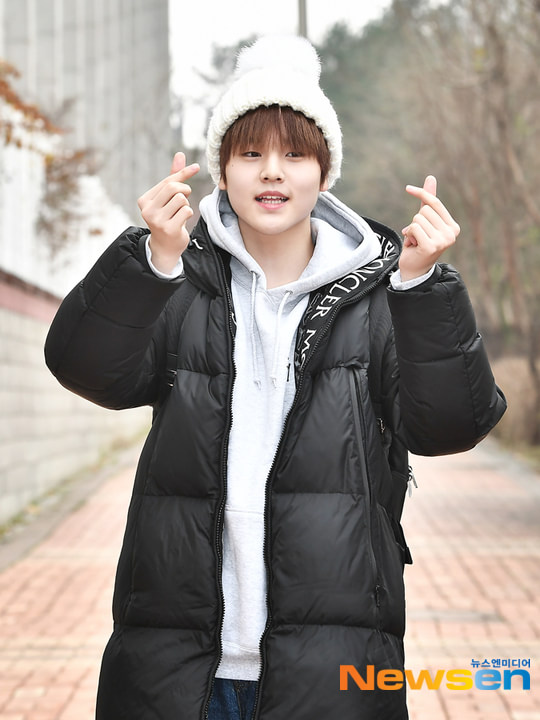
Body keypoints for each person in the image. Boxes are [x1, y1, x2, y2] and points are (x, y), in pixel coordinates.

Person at [45, 35, 506, 720]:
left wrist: (422, 288)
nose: (272, 173)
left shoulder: (383, 295)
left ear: (324, 172)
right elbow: (87, 369)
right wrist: (151, 261)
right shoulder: (179, 281)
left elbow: (450, 427)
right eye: (250, 153)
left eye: (295, 154)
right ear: (221, 170)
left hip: (333, 662)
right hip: (179, 660)